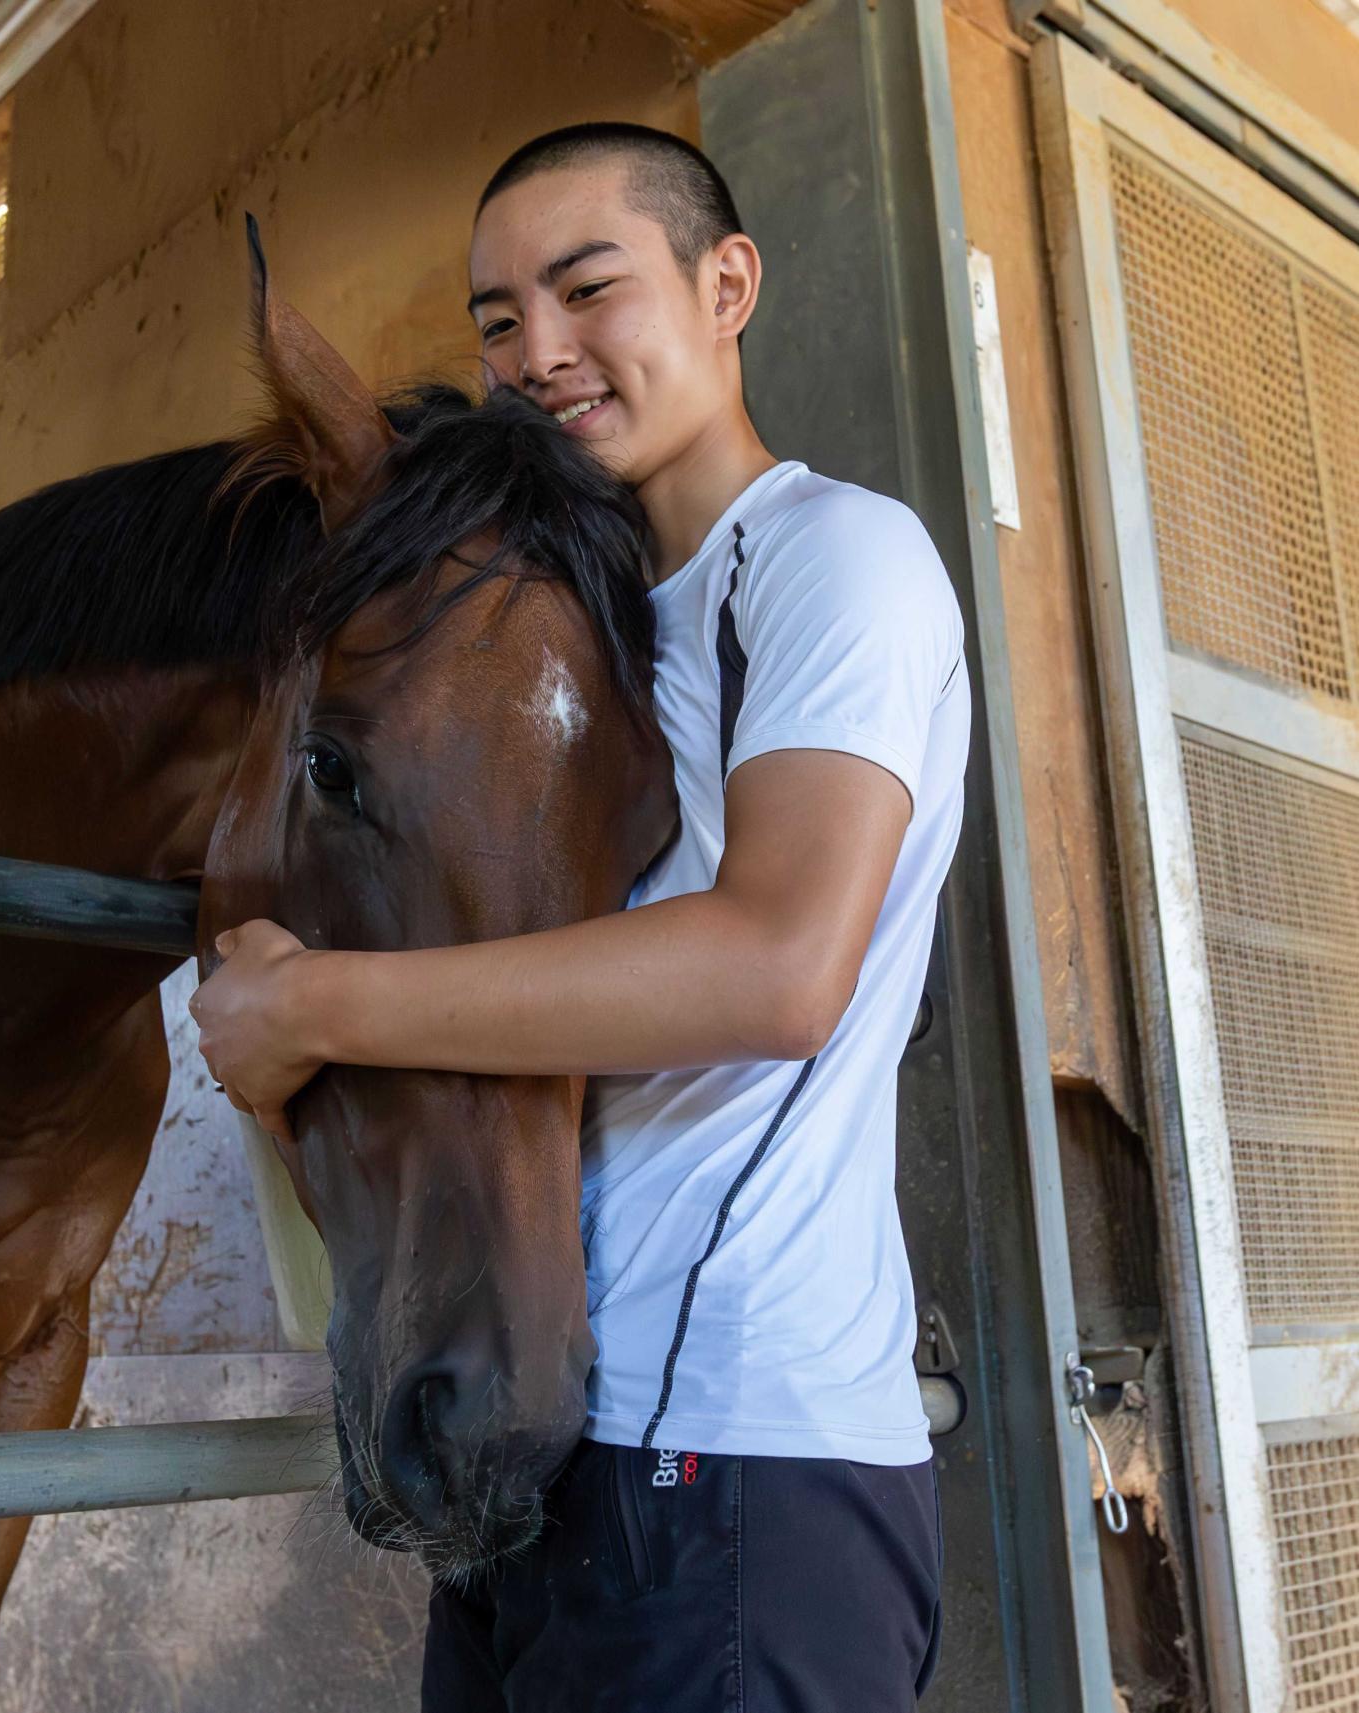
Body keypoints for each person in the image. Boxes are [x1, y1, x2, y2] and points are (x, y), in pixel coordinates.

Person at [190, 123, 960, 1710]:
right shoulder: (576, 630)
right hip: (546, 1443)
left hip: (744, 1461)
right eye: (493, 319)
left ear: (726, 281)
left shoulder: (832, 561)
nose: (537, 352)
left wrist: (319, 1008)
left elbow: (779, 966)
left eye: (586, 288)